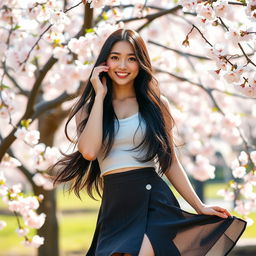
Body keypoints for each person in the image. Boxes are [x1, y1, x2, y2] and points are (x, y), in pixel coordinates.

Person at [52, 29, 247, 256]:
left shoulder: (156, 105)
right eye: (115, 57)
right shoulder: (88, 108)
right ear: (105, 61)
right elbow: (88, 151)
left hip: (152, 199)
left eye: (131, 58)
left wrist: (199, 206)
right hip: (116, 204)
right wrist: (99, 97)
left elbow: (169, 160)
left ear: (141, 62)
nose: (122, 65)